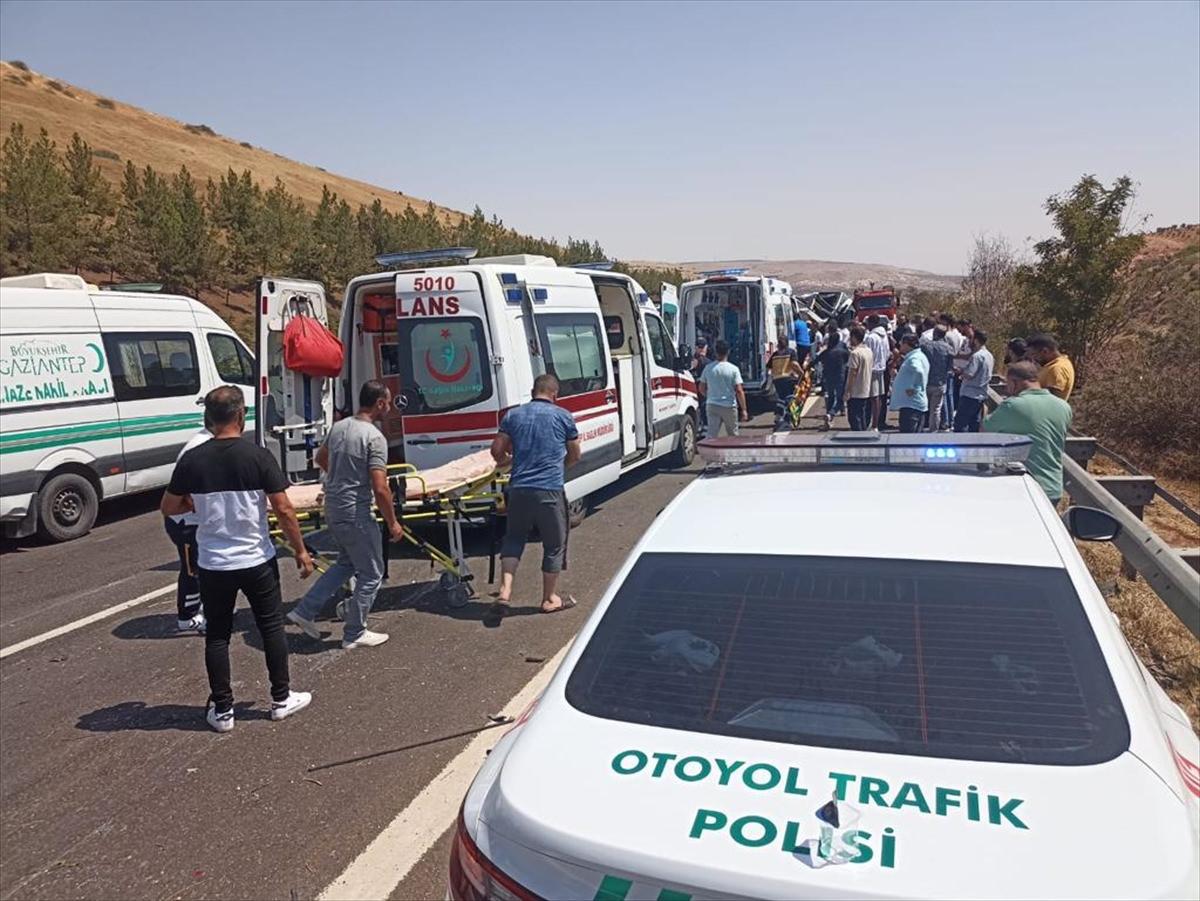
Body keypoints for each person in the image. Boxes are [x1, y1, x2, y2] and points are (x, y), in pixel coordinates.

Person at [161, 386, 315, 733]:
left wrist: (196, 506)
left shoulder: (192, 460)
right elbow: (284, 508)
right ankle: (280, 698)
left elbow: (169, 507)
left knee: (217, 635)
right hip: (256, 558)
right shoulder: (257, 456)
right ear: (241, 415)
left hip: (214, 562)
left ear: (208, 418)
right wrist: (300, 551)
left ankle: (223, 710)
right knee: (271, 626)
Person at [287, 380, 404, 649]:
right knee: (373, 573)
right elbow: (380, 486)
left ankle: (305, 611)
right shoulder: (374, 437)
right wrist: (393, 522)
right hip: (355, 511)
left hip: (334, 507)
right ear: (380, 404)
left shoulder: (339, 428)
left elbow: (321, 459)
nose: (389, 406)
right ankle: (354, 632)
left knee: (346, 564)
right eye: (387, 402)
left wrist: (341, 476)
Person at [489, 374, 581, 616]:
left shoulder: (513, 416)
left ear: (532, 392)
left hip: (518, 488)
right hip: (549, 489)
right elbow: (575, 455)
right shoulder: (563, 416)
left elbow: (496, 451)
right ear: (555, 394)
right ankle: (549, 598)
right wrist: (559, 467)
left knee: (514, 538)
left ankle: (505, 591)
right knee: (553, 545)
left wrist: (509, 460)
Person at [983, 361, 1073, 503]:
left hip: (1023, 486)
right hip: (1053, 488)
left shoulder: (1013, 406)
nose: (1007, 388)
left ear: (1015, 382)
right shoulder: (1064, 406)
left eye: (1008, 384)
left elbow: (984, 433)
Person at [163, 422, 213, 634]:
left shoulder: (206, 442)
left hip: (193, 518)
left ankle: (205, 607)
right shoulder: (199, 448)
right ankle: (188, 617)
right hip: (185, 521)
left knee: (203, 568)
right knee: (192, 570)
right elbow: (187, 492)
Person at [698, 339, 748, 437]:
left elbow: (701, 387)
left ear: (716, 352)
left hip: (712, 405)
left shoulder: (708, 368)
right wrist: (744, 409)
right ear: (728, 352)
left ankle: (711, 452)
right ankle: (732, 452)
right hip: (729, 406)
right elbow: (739, 390)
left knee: (712, 434)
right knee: (733, 434)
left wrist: (709, 396)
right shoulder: (734, 369)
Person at [954, 329, 994, 433]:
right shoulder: (989, 355)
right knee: (974, 425)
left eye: (971, 339)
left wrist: (960, 372)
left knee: (960, 424)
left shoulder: (977, 356)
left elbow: (970, 374)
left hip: (970, 395)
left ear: (976, 340)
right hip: (981, 395)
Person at [888, 333, 929, 433]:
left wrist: (914, 387)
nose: (900, 345)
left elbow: (919, 371)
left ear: (907, 344)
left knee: (908, 437)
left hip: (911, 405)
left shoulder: (914, 359)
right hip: (911, 404)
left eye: (901, 343)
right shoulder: (918, 356)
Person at [920, 326, 953, 431]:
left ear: (934, 333)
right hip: (940, 383)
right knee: (936, 410)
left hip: (926, 381)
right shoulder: (948, 348)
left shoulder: (926, 346)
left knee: (922, 407)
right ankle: (933, 431)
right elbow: (949, 367)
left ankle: (920, 428)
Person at [814, 331, 850, 428]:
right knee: (840, 398)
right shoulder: (843, 349)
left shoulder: (827, 351)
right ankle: (831, 414)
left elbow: (816, 360)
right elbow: (848, 359)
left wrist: (808, 367)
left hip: (828, 376)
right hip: (840, 376)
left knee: (830, 397)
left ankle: (828, 418)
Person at [1026, 333, 1075, 401]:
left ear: (1045, 351)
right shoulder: (1055, 364)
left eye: (1034, 354)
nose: (1033, 359)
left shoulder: (1057, 369)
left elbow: (1052, 400)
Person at [767, 335, 801, 428]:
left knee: (781, 398)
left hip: (777, 379)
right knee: (789, 398)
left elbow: (769, 366)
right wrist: (801, 373)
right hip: (788, 378)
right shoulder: (790, 352)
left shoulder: (775, 354)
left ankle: (778, 417)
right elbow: (794, 364)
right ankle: (788, 418)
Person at [863, 315, 890, 429]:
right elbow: (888, 352)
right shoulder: (884, 336)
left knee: (872, 398)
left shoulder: (871, 337)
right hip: (881, 368)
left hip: (872, 369)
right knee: (878, 397)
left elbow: (868, 354)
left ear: (871, 323)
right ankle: (877, 422)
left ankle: (872, 424)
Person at [845, 325, 874, 431]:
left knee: (854, 418)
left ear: (854, 337)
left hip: (855, 391)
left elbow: (852, 373)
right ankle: (863, 437)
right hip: (865, 389)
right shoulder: (868, 351)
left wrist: (848, 391)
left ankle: (857, 439)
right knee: (862, 416)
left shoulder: (855, 353)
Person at [690, 337, 714, 434]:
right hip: (704, 389)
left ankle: (699, 426)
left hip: (692, 388)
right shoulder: (709, 363)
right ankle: (705, 426)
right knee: (704, 406)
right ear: (705, 347)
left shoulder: (691, 361)